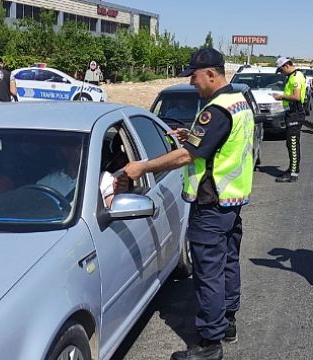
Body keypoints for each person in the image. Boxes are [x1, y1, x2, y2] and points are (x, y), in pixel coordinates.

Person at [124, 47, 254, 360]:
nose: (192, 83)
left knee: (208, 272)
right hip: (231, 201)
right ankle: (227, 323)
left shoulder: (216, 110)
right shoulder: (239, 103)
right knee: (227, 263)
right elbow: (217, 143)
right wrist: (192, 134)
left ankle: (210, 344)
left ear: (211, 74)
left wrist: (142, 167)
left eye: (194, 77)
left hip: (210, 204)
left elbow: (187, 155)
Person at [37, 141, 128, 207]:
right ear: (63, 150)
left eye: (83, 145)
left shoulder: (103, 179)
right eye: (72, 145)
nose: (79, 149)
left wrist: (118, 193)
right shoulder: (47, 182)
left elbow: (113, 205)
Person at [273, 57, 307, 183]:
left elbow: (297, 97)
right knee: (290, 143)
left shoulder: (296, 76)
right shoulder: (292, 76)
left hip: (295, 113)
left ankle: (293, 173)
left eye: (281, 70)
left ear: (287, 65)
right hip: (291, 113)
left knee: (293, 143)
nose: (281, 73)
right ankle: (292, 169)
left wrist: (281, 97)